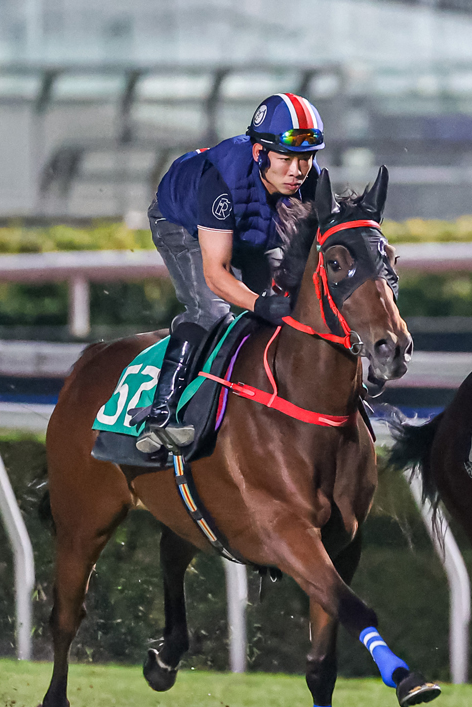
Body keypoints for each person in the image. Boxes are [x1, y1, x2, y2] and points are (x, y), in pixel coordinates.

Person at [132, 93, 326, 454]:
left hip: (250, 231)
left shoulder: (309, 181)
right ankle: (161, 412)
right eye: (286, 159)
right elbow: (217, 274)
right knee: (213, 311)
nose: (297, 172)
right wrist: (261, 305)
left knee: (292, 301)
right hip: (182, 224)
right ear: (259, 154)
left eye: (306, 159)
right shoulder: (220, 184)